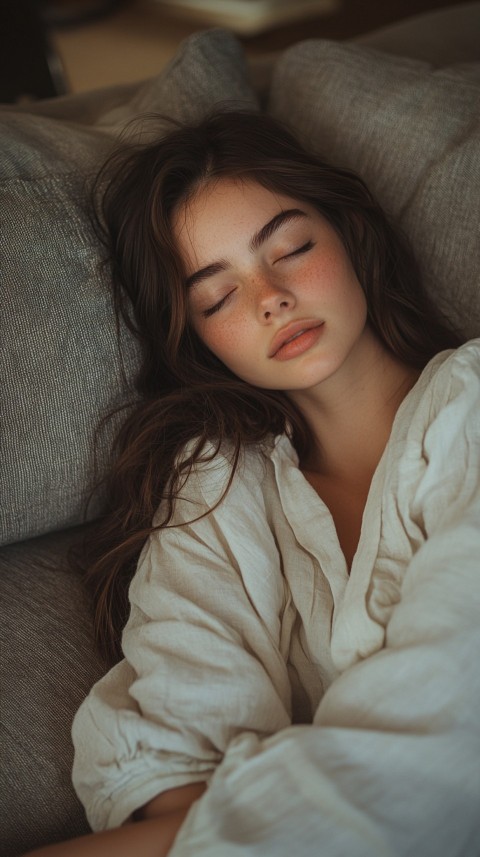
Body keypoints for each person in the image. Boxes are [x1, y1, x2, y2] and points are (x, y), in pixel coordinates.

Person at [24, 109, 480, 857]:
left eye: (291, 248)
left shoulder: (471, 406)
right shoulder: (217, 481)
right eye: (217, 296)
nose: (270, 296)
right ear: (193, 335)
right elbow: (176, 751)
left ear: (350, 234)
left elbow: (452, 731)